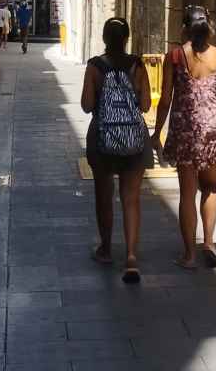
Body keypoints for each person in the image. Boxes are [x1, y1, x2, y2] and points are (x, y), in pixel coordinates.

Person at [151, 5, 216, 270]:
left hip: (186, 129)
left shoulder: (175, 57)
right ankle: (209, 243)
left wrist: (157, 132)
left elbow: (166, 99)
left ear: (185, 28)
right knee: (211, 186)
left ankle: (189, 255)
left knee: (187, 193)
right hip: (213, 129)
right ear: (209, 27)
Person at [81, 17, 151, 284]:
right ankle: (131, 256)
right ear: (126, 38)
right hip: (134, 138)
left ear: (104, 38)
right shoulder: (137, 65)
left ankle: (106, 249)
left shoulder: (95, 66)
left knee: (104, 196)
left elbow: (87, 105)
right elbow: (145, 105)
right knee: (131, 198)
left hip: (103, 139)